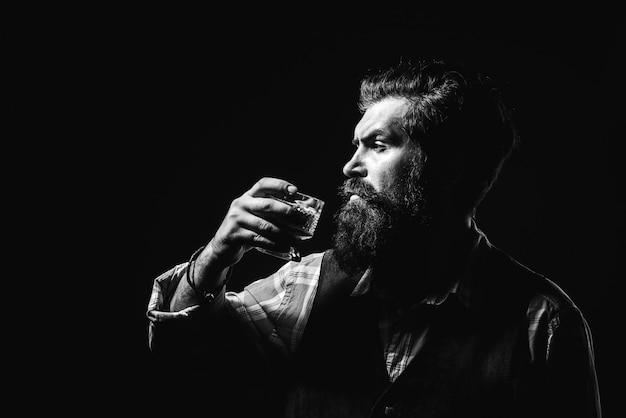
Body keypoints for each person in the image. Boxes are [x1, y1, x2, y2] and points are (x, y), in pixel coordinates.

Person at [146, 60, 601, 417]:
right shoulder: (302, 286)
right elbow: (182, 367)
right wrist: (213, 260)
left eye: (378, 144)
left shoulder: (543, 323)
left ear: (448, 166)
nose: (349, 166)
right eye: (354, 144)